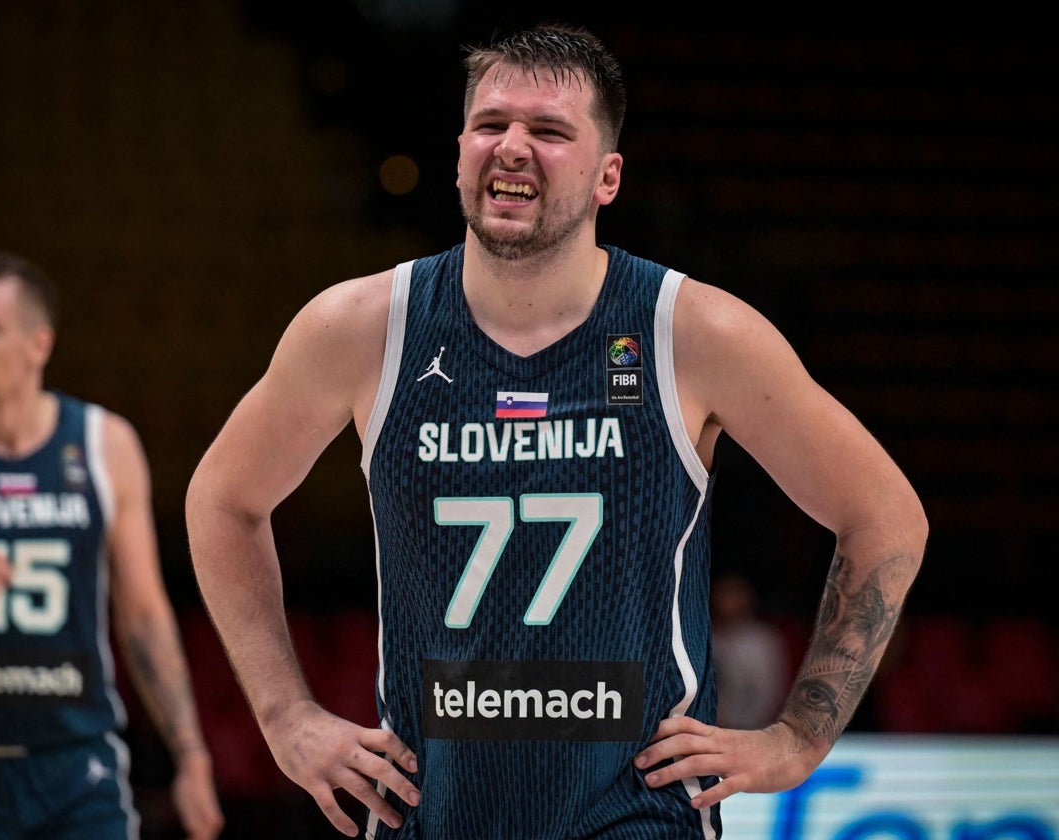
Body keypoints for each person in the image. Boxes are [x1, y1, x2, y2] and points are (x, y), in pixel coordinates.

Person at [185, 23, 928, 840]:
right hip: (430, 812)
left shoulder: (694, 331)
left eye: (547, 131)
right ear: (460, 148)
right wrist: (285, 714)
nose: (510, 147)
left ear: (609, 176)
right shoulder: (362, 326)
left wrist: (800, 739)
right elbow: (222, 500)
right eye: (490, 124)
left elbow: (885, 515)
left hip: (634, 814)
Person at [0, 252, 224, 839]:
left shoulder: (107, 445)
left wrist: (191, 755)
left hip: (75, 766)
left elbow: (144, 615)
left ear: (38, 345)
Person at [710, 573, 789, 731]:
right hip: (709, 727)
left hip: (753, 729)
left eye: (734, 594)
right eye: (724, 593)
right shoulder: (704, 637)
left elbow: (769, 693)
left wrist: (744, 726)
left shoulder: (762, 641)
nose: (728, 601)